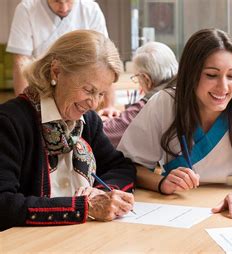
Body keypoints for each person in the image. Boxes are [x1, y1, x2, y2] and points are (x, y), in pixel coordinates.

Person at [117, 28, 232, 218]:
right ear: (191, 74)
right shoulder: (164, 104)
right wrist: (160, 182)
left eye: (231, 76)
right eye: (211, 75)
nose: (223, 87)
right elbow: (127, 165)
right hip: (181, 213)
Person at [0, 30, 136, 231]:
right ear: (56, 71)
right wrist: (83, 207)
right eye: (89, 90)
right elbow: (3, 204)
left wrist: (100, 194)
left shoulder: (88, 121)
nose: (94, 103)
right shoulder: (10, 122)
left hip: (78, 237)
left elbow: (122, 168)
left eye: (101, 94)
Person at [6, 0, 120, 117]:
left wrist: (109, 105)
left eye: (69, 1)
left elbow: (105, 61)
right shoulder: (27, 9)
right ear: (55, 71)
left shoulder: (90, 9)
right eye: (57, 1)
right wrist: (24, 108)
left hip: (79, 97)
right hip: (39, 89)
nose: (64, 8)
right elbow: (20, 62)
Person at [103, 41, 178, 147]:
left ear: (146, 79)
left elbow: (105, 134)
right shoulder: (183, 88)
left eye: (137, 78)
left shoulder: (152, 102)